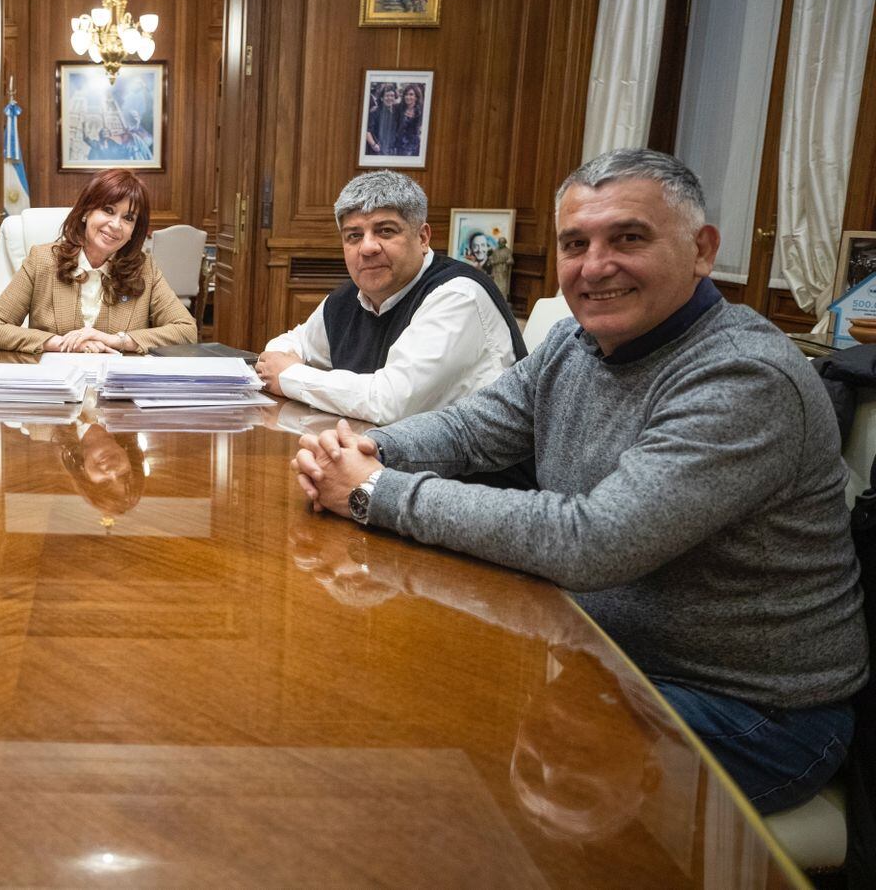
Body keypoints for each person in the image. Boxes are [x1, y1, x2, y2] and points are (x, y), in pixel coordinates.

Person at [293, 148, 868, 814]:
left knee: (458, 761)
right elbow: (469, 431)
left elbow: (593, 542)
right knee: (407, 702)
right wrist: (366, 447)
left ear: (702, 250)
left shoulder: (744, 377)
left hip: (749, 709)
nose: (596, 267)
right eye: (575, 244)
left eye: (629, 238)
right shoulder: (574, 343)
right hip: (598, 655)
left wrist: (372, 491)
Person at [256, 170, 523, 424]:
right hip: (387, 459)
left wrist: (291, 376)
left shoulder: (458, 295)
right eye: (354, 236)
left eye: (385, 231)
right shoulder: (350, 297)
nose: (368, 247)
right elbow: (290, 346)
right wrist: (283, 366)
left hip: (467, 472)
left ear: (422, 237)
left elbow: (392, 402)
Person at [0, 167, 196, 354]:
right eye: (108, 210)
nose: (115, 225)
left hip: (118, 389)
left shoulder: (144, 269)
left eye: (128, 218)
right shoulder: (42, 260)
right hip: (55, 387)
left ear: (133, 231)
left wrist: (115, 340)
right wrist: (58, 343)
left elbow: (186, 330)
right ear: (86, 212)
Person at [364, 86, 400, 157]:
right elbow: (367, 130)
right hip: (378, 150)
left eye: (392, 96)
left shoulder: (396, 112)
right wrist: (374, 145)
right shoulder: (375, 112)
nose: (389, 98)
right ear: (381, 98)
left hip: (391, 150)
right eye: (387, 96)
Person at [394, 84, 424, 157]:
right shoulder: (398, 108)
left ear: (416, 97)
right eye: (406, 94)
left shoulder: (421, 111)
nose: (408, 97)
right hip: (399, 146)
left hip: (414, 147)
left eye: (411, 95)